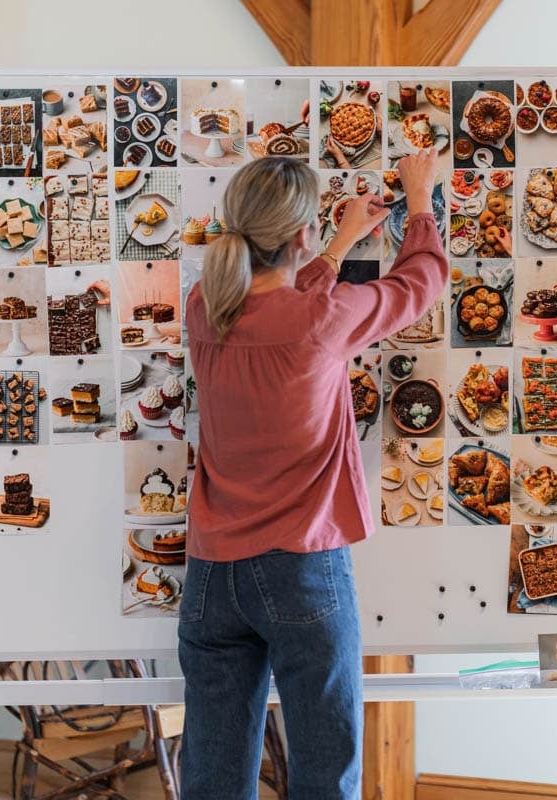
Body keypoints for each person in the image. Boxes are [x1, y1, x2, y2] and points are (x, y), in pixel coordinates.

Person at [178, 149, 446, 799]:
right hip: (300, 569)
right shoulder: (322, 320)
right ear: (299, 236)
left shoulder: (202, 306)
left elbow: (281, 298)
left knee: (213, 777)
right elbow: (421, 283)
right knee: (327, 770)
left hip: (212, 575)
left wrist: (340, 240)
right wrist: (418, 201)